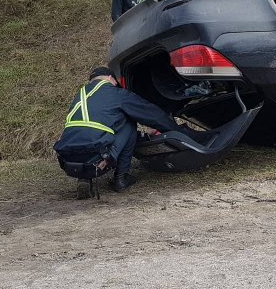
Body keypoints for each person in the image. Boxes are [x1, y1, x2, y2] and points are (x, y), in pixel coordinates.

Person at [54, 66, 190, 194]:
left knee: (87, 133)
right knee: (129, 122)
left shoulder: (80, 96)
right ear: (110, 78)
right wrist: (178, 131)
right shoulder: (116, 93)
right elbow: (152, 115)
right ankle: (121, 178)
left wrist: (143, 135)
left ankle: (84, 178)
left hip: (68, 161)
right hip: (97, 158)